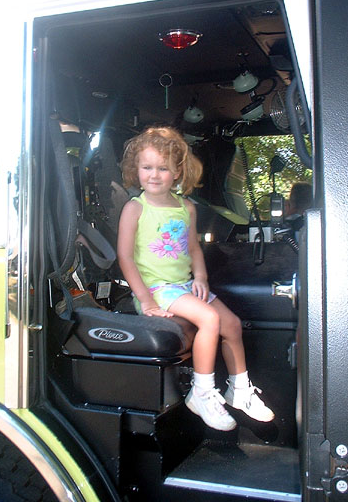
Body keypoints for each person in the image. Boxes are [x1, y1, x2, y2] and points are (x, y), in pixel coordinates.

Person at [117, 126, 274, 431]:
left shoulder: (185, 207)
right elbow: (125, 257)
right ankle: (201, 393)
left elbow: (192, 248)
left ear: (177, 172)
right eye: (146, 167)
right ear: (135, 170)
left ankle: (239, 390)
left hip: (184, 287)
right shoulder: (135, 208)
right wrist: (146, 301)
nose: (154, 175)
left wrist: (200, 276)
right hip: (156, 290)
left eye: (163, 168)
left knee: (232, 325)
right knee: (210, 320)